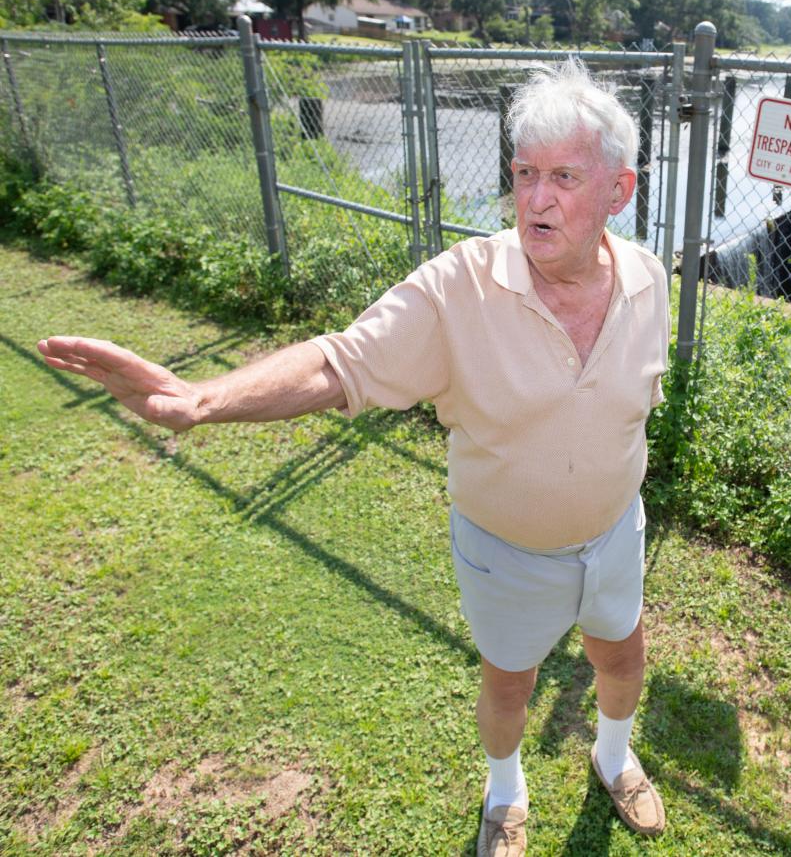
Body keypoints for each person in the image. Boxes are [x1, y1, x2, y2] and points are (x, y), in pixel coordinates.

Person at [38, 59, 670, 855]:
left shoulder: (649, 280)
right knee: (509, 681)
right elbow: (339, 362)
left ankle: (613, 758)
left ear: (620, 191)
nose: (536, 199)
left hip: (616, 534)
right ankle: (504, 791)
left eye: (565, 178)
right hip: (506, 552)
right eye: (523, 173)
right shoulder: (458, 289)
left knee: (623, 652)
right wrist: (201, 401)